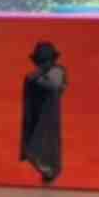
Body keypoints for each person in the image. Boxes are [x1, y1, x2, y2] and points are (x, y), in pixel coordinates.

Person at [21, 42, 68, 184]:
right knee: (33, 148)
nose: (42, 64)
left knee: (43, 147)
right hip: (39, 115)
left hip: (49, 115)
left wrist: (37, 77)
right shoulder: (40, 73)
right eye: (40, 61)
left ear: (52, 60)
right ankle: (48, 173)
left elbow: (54, 85)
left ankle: (50, 173)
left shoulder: (57, 71)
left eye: (45, 60)